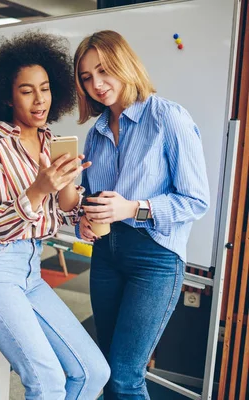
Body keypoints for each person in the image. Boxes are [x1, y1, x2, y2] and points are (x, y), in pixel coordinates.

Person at [0, 31, 110, 400]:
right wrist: (40, 187)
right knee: (47, 382)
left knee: (94, 372)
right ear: (6, 96)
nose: (39, 99)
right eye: (27, 90)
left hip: (30, 271)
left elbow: (59, 210)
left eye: (44, 88)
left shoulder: (49, 141)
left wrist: (79, 210)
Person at [73, 30, 210, 399]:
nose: (97, 84)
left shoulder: (168, 118)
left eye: (103, 71)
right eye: (86, 77)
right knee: (105, 368)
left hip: (155, 258)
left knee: (125, 375)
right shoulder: (97, 132)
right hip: (106, 254)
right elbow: (90, 197)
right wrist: (82, 219)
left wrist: (134, 207)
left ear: (124, 64)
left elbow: (196, 200)